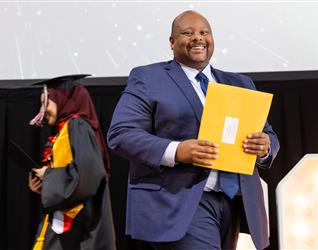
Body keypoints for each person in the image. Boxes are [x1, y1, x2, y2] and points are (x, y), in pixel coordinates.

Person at [107, 10, 279, 250]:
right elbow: (121, 134)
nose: (198, 38)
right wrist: (177, 150)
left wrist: (265, 147)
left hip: (233, 202)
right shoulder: (148, 78)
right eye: (187, 33)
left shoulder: (240, 83)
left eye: (204, 32)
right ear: (172, 41)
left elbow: (268, 133)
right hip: (181, 202)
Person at [28, 74, 116, 250]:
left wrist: (49, 176)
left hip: (82, 224)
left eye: (46, 103)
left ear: (62, 100)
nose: (43, 110)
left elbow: (88, 176)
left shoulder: (78, 126)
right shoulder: (65, 129)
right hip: (71, 220)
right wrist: (44, 184)